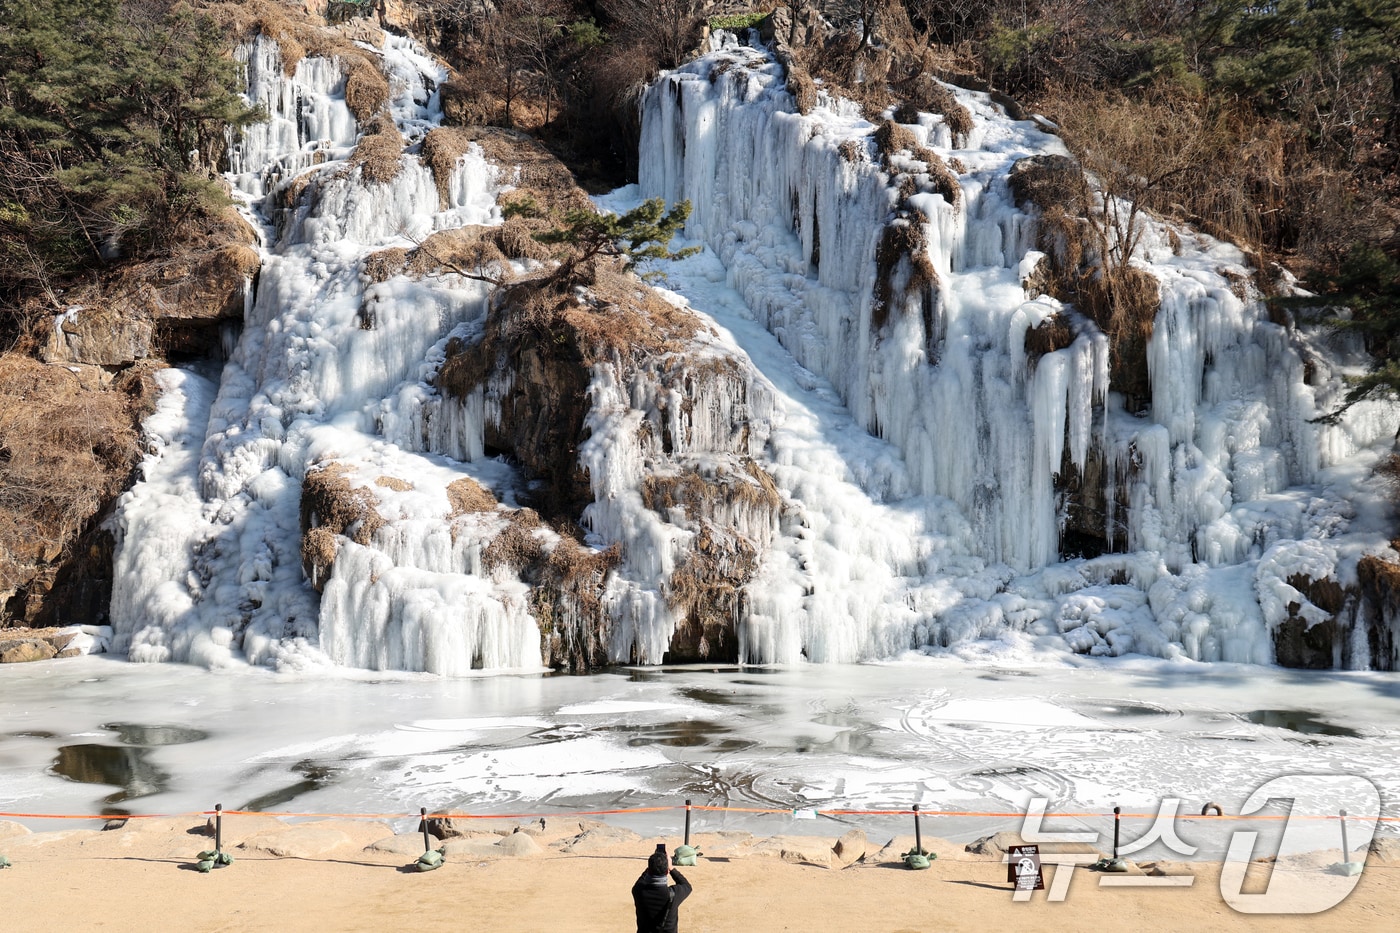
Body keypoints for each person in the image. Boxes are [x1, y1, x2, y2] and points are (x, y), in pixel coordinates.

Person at [631, 845, 692, 933]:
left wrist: (653, 864)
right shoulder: (673, 894)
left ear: (649, 870)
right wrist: (671, 867)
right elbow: (686, 886)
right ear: (667, 871)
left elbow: (643, 878)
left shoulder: (638, 890)